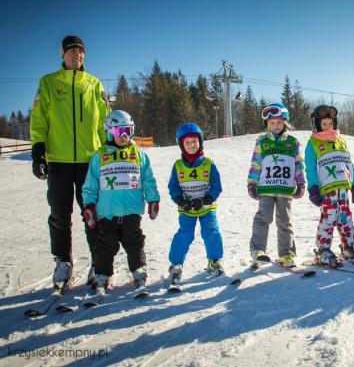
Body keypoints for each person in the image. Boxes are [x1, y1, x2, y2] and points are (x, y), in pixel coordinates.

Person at [30, 35, 109, 289]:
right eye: (72, 50)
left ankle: (98, 262)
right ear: (62, 54)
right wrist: (38, 150)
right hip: (59, 160)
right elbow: (39, 119)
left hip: (89, 160)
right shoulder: (49, 83)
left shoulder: (94, 84)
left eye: (81, 51)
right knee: (59, 213)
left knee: (92, 212)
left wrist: (107, 151)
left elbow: (103, 121)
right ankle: (63, 261)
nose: (78, 54)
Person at [81, 110, 160, 294]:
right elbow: (90, 184)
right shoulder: (99, 156)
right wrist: (89, 205)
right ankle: (102, 273)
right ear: (109, 131)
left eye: (127, 130)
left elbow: (148, 179)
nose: (124, 136)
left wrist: (153, 199)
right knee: (105, 244)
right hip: (107, 211)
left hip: (131, 210)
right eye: (119, 131)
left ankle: (138, 270)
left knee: (134, 242)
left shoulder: (138, 154)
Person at [305, 104, 354, 266]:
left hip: (343, 189)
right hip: (327, 190)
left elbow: (349, 163)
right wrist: (313, 188)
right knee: (329, 218)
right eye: (324, 124)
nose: (328, 127)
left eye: (330, 124)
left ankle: (348, 247)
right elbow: (310, 168)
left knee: (346, 219)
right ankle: (323, 250)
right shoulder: (313, 143)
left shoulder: (341, 140)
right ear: (317, 125)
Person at [247, 103, 305, 268]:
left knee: (284, 221)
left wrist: (300, 182)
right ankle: (257, 251)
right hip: (266, 188)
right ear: (267, 124)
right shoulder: (262, 142)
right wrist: (252, 183)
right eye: (272, 123)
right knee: (263, 218)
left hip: (285, 189)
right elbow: (256, 164)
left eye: (279, 122)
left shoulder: (293, 143)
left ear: (284, 123)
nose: (276, 126)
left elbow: (299, 164)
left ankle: (286, 254)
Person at [167, 122, 225, 284]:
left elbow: (216, 186)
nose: (192, 145)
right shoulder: (178, 166)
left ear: (200, 142)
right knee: (184, 234)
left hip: (207, 208)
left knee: (211, 232)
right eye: (187, 142)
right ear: (181, 145)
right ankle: (176, 264)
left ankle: (214, 261)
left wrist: (206, 199)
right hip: (187, 209)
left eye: (194, 141)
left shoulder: (208, 163)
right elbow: (173, 187)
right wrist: (180, 200)